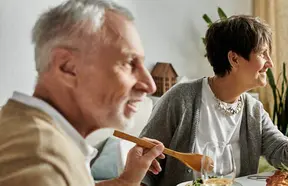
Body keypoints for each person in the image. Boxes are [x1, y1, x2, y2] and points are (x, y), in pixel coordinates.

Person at [139, 15, 288, 186]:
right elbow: (143, 165)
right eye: (263, 53)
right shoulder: (181, 99)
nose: (270, 63)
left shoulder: (253, 111)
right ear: (234, 59)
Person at [0, 0, 166, 185]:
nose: (150, 85)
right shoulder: (40, 161)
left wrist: (125, 181)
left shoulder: (30, 135)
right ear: (68, 67)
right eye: (129, 63)